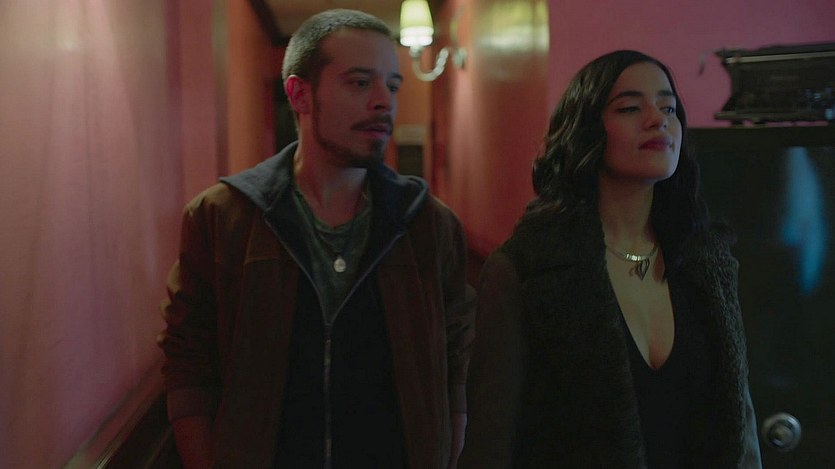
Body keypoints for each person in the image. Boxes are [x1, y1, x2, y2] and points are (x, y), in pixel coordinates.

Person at [158, 9, 473, 468]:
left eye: (392, 85)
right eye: (360, 83)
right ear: (299, 94)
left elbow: (458, 359)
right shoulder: (224, 217)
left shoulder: (428, 224)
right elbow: (189, 361)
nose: (383, 102)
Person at [459, 50, 762, 468]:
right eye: (630, 108)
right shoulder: (527, 269)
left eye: (668, 107)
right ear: (587, 130)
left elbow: (741, 427)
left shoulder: (706, 261)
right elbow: (490, 445)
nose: (657, 120)